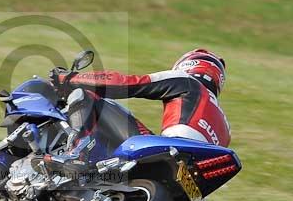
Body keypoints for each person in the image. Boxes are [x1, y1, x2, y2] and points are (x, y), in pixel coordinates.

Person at [51, 49, 230, 147]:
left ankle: (75, 152)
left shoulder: (187, 81)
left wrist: (69, 78)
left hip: (169, 148)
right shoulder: (225, 127)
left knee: (85, 96)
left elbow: (128, 84)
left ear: (187, 66)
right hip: (186, 180)